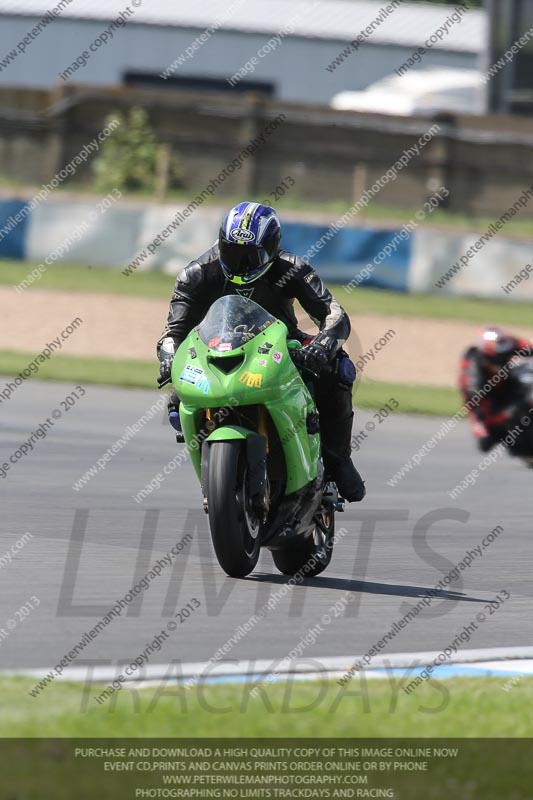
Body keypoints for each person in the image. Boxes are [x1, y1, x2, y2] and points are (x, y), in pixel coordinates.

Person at [156, 201, 366, 502]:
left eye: (251, 255)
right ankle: (215, 480)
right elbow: (173, 332)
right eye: (232, 251)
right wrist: (168, 359)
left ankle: (338, 458)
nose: (241, 263)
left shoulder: (292, 268)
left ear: (272, 246)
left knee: (338, 369)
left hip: (282, 348)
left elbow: (334, 315)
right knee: (177, 401)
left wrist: (321, 348)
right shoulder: (197, 274)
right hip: (216, 350)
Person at [460, 326, 533, 452]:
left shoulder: (510, 343)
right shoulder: (474, 374)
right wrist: (506, 414)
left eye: (507, 354)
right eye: (500, 356)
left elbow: (528, 348)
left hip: (509, 385)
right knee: (486, 441)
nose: (505, 358)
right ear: (488, 356)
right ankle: (517, 444)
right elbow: (477, 404)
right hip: (487, 398)